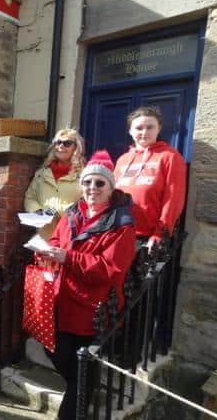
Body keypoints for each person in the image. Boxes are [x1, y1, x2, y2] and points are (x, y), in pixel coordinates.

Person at [33, 151, 136, 419]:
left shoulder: (122, 224)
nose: (92, 188)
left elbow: (110, 269)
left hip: (92, 308)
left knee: (84, 371)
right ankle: (82, 391)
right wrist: (47, 249)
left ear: (111, 187)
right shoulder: (71, 213)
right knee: (58, 352)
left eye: (100, 183)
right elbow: (57, 240)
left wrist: (68, 257)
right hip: (61, 299)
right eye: (88, 182)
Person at [114, 106, 187, 251]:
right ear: (130, 131)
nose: (144, 132)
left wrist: (160, 234)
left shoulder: (170, 156)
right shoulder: (123, 159)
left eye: (150, 127)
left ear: (159, 128)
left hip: (147, 238)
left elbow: (173, 200)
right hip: (118, 233)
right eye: (139, 128)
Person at [24, 129, 86, 214]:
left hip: (69, 225)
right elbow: (30, 198)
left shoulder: (84, 175)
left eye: (67, 143)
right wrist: (38, 211)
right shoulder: (41, 174)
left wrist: (62, 212)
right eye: (58, 142)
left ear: (76, 148)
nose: (61, 146)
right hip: (45, 226)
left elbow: (87, 202)